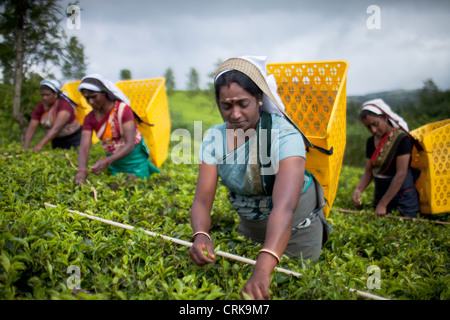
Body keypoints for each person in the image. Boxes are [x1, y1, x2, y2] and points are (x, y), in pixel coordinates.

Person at [189, 56, 330, 300]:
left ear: (260, 99)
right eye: (226, 106)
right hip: (251, 228)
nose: (234, 114)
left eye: (243, 103)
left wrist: (263, 269)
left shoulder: (284, 135)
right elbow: (202, 200)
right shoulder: (215, 137)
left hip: (295, 231)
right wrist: (201, 234)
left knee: (294, 285)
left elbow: (285, 207)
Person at [74, 74, 159, 185]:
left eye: (94, 96)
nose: (90, 102)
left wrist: (106, 161)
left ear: (104, 93)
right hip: (115, 164)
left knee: (133, 187)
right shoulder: (90, 118)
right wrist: (81, 170)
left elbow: (130, 144)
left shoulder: (123, 110)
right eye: (87, 98)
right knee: (115, 186)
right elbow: (84, 147)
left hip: (135, 161)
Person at [352, 99, 420, 218]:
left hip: (403, 199)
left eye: (375, 124)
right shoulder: (370, 142)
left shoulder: (402, 139)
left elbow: (401, 174)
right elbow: (368, 172)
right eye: (368, 127)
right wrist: (358, 189)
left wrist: (383, 204)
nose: (373, 130)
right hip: (380, 195)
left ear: (384, 117)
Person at [22, 79, 81, 152]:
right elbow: (32, 127)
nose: (44, 98)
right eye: (42, 95)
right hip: (56, 140)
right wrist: (26, 146)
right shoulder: (40, 107)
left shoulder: (64, 105)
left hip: (74, 139)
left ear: (55, 94)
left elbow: (56, 129)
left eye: (47, 95)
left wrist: (39, 146)